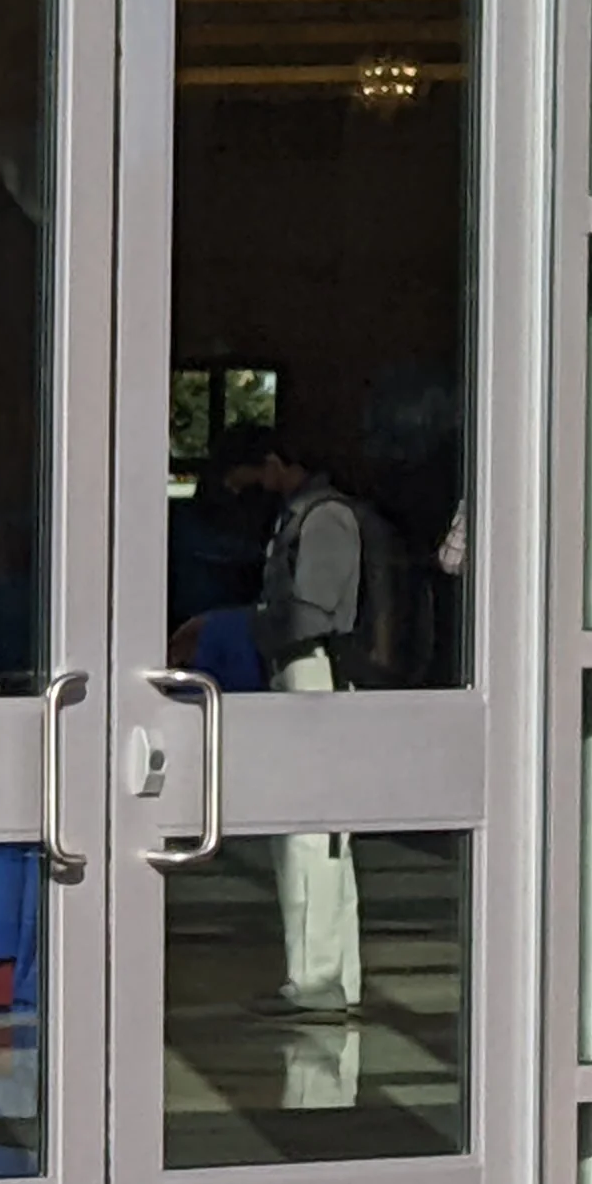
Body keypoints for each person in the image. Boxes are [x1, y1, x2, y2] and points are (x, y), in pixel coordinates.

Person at [222, 428, 371, 1017]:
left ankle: (315, 978)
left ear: (282, 463)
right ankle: (325, 973)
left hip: (315, 673)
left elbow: (313, 612)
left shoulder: (325, 518)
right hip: (302, 668)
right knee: (314, 837)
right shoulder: (308, 515)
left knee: (311, 835)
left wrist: (249, 626)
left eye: (263, 472)